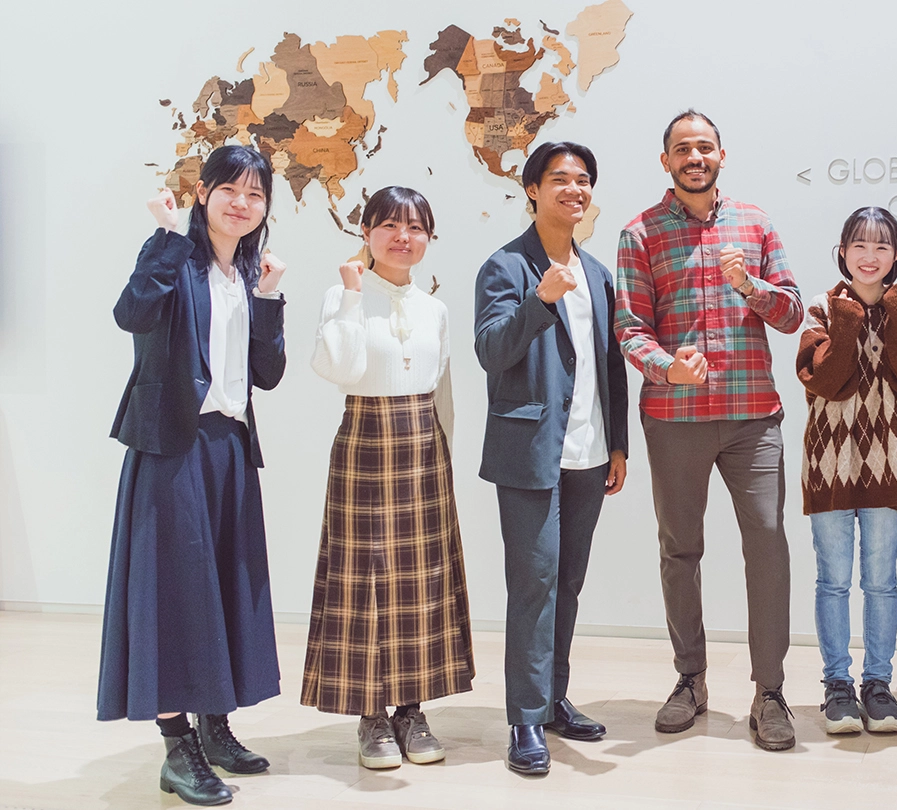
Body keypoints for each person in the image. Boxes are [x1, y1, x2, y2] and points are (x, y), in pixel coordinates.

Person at [98, 144, 287, 806]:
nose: (243, 201)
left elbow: (266, 374)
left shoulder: (247, 274)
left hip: (229, 450)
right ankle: (177, 745)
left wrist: (268, 298)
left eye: (256, 193)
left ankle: (215, 724)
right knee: (176, 595)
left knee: (225, 590)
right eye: (230, 188)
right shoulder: (176, 259)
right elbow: (132, 314)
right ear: (203, 193)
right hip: (173, 446)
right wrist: (164, 237)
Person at [615, 109, 804, 751]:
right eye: (681, 149)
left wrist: (752, 286)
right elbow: (630, 327)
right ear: (665, 161)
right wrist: (670, 368)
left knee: (769, 547)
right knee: (679, 551)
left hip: (754, 417)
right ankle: (690, 679)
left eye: (704, 147)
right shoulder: (638, 233)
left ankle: (769, 691)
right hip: (675, 418)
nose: (694, 157)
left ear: (722, 153)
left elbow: (792, 313)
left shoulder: (756, 223)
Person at [304, 186, 474, 769]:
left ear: (428, 238)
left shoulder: (435, 307)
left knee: (420, 580)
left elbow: (442, 389)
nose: (404, 237)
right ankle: (371, 715)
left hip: (425, 448)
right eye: (390, 225)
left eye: (417, 228)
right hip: (365, 443)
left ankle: (411, 709)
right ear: (367, 231)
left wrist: (445, 453)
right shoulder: (343, 293)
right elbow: (338, 368)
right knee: (364, 577)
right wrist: (351, 298)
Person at [474, 141, 629, 775]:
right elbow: (491, 351)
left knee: (567, 582)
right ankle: (525, 719)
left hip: (590, 454)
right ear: (532, 190)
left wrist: (618, 442)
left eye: (583, 180)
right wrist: (539, 301)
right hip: (530, 452)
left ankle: (555, 697)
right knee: (533, 585)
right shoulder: (505, 266)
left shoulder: (596, 273)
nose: (574, 189)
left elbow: (610, 364)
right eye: (560, 179)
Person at [796, 207, 897, 736]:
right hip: (828, 462)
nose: (869, 256)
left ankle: (877, 685)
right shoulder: (821, 306)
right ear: (842, 252)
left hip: (887, 459)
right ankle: (837, 686)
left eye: (881, 246)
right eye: (859, 245)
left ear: (896, 255)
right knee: (833, 581)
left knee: (881, 582)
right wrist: (851, 318)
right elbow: (825, 381)